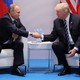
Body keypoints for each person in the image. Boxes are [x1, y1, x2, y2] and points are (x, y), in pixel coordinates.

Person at [31, 3, 80, 76]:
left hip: (78, 44)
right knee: (56, 45)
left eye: (58, 12)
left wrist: (75, 49)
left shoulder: (77, 19)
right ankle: (66, 67)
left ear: (65, 11)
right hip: (66, 45)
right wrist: (40, 36)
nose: (56, 14)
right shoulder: (56, 22)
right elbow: (53, 36)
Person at [0, 4, 33, 76]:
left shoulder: (17, 19)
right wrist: (30, 33)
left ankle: (15, 68)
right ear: (11, 11)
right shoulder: (5, 19)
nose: (19, 14)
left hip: (9, 42)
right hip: (1, 42)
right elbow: (14, 29)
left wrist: (16, 33)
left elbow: (23, 28)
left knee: (19, 44)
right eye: (18, 12)